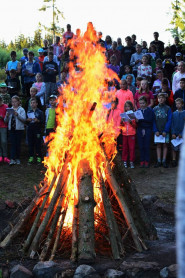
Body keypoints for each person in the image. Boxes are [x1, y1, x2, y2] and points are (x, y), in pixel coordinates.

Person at [4, 95, 26, 165]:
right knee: (13, 144)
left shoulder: (21, 109)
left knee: (18, 144)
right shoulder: (9, 109)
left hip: (19, 129)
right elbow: (5, 121)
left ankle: (17, 158)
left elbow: (24, 119)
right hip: (11, 129)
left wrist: (17, 115)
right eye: (12, 102)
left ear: (18, 102)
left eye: (15, 101)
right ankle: (12, 158)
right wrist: (7, 116)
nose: (14, 103)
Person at [153, 93, 172, 168]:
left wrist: (165, 130)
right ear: (157, 99)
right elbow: (153, 121)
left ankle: (164, 160)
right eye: (159, 98)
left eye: (162, 98)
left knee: (165, 145)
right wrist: (155, 130)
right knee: (158, 145)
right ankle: (158, 160)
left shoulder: (168, 108)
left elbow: (169, 120)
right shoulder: (155, 109)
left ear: (165, 99)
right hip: (157, 130)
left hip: (165, 131)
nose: (161, 99)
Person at [136, 96, 155, 168]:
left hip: (147, 129)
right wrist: (137, 121)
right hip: (140, 129)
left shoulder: (150, 110)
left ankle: (147, 161)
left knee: (146, 146)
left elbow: (150, 120)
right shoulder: (138, 111)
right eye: (140, 103)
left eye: (143, 103)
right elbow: (138, 122)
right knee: (141, 146)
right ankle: (142, 161)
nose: (142, 105)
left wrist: (142, 120)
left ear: (146, 103)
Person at [26, 97, 44, 165]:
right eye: (31, 103)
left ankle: (39, 157)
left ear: (36, 104)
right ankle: (31, 157)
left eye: (34, 103)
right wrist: (27, 120)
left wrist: (38, 120)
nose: (32, 104)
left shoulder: (40, 112)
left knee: (37, 144)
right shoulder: (28, 111)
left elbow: (42, 122)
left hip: (37, 130)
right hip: (30, 129)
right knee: (30, 143)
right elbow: (26, 122)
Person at [121, 100, 136, 169]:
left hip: (131, 133)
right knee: (125, 148)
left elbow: (135, 126)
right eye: (126, 106)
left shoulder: (133, 115)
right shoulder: (123, 114)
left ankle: (131, 161)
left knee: (131, 148)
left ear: (131, 107)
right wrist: (121, 122)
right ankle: (124, 161)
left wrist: (131, 122)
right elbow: (121, 125)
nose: (127, 108)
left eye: (128, 106)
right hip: (124, 134)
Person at [171, 98, 185, 167]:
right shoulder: (174, 113)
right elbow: (172, 124)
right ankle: (174, 160)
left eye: (179, 103)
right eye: (176, 104)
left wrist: (182, 134)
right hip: (175, 135)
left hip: (182, 134)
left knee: (182, 148)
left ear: (182, 104)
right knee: (174, 148)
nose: (177, 105)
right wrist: (173, 133)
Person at [0, 95, 9, 164]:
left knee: (4, 141)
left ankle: (5, 156)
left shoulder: (6, 107)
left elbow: (7, 118)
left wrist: (2, 117)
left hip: (3, 126)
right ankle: (0, 156)